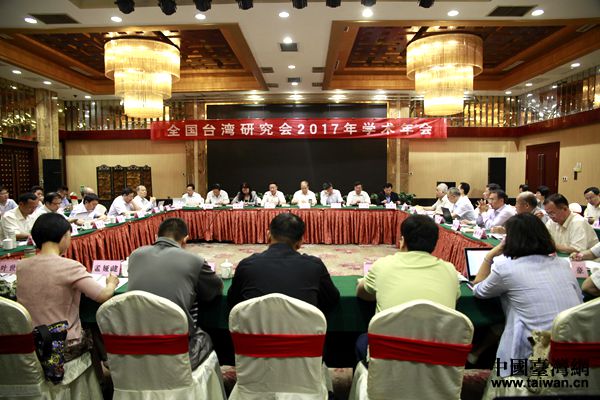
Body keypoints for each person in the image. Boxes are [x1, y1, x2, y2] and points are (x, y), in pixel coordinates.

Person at [472, 213, 582, 377]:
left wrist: (489, 256)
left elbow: (478, 290)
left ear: (510, 240)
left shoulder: (506, 268)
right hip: (573, 347)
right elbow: (580, 299)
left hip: (533, 354)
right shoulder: (564, 265)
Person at [355, 214, 460, 360]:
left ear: (403, 241)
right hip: (438, 358)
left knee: (362, 341)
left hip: (389, 358)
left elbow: (362, 293)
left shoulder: (383, 265)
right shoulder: (450, 270)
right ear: (435, 244)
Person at [128, 218, 223, 369]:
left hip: (133, 343)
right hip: (177, 348)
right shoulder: (194, 260)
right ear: (185, 240)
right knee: (209, 337)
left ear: (156, 236)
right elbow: (214, 290)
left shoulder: (135, 255)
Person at [17, 213, 118, 343]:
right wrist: (111, 283)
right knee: (96, 335)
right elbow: (103, 295)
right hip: (63, 342)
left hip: (30, 341)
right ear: (64, 236)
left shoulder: (21, 266)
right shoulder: (70, 266)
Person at [228, 213, 340, 314]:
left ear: (268, 235)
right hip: (302, 330)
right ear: (301, 241)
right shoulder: (314, 266)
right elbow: (332, 300)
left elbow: (233, 302)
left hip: (254, 331)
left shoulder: (246, 265)